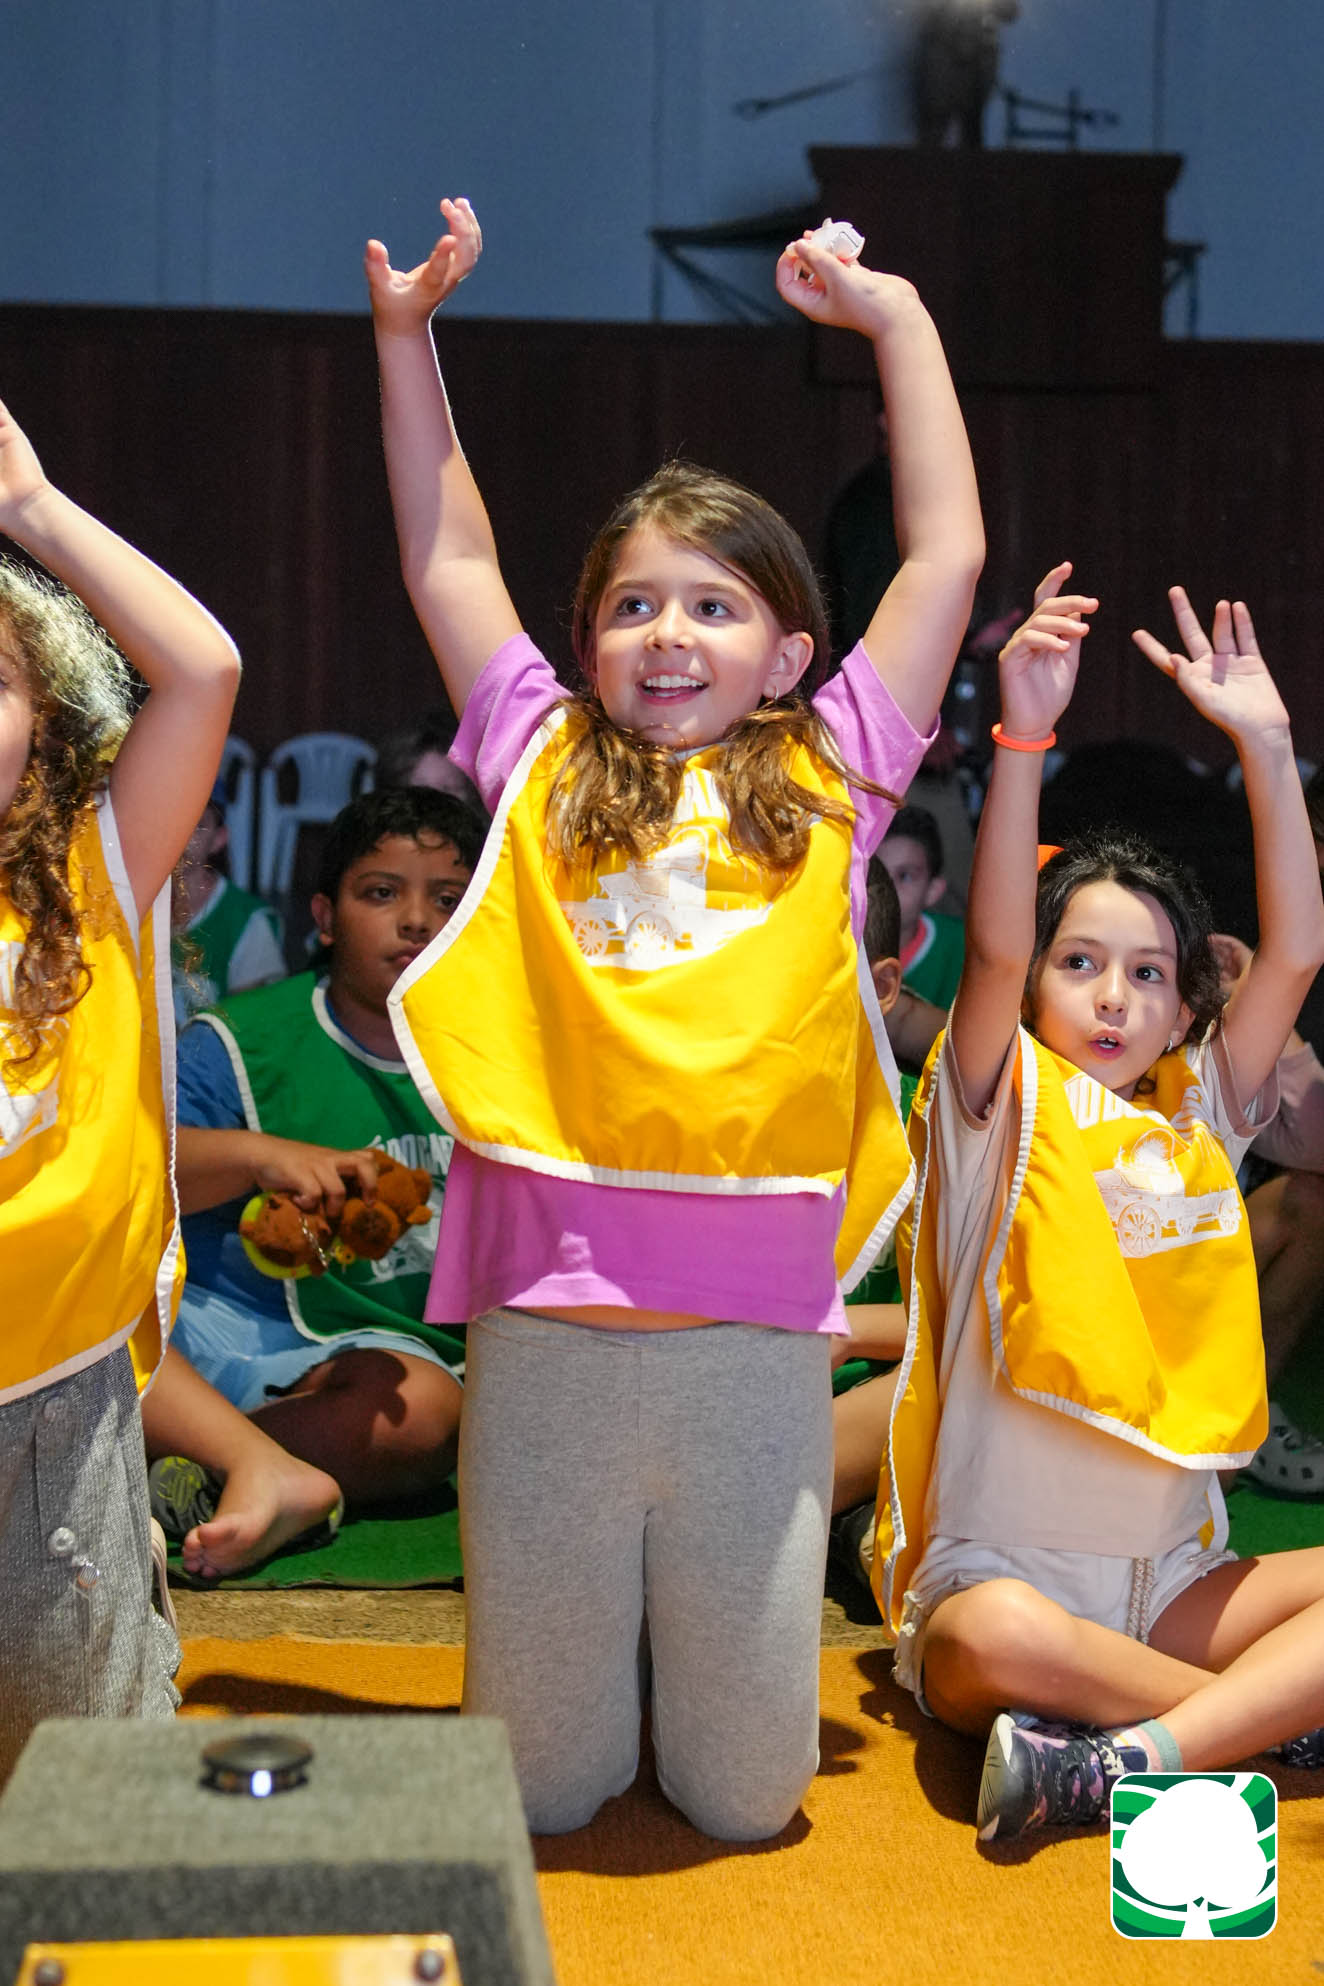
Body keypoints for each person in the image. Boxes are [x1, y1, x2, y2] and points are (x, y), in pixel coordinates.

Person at [365, 196, 982, 1838]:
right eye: (634, 605)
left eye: (713, 606)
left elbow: (942, 557)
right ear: (583, 646)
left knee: (743, 1795)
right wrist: (406, 337)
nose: (668, 634)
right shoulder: (535, 753)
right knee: (543, 1791)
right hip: (545, 1338)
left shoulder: (833, 769)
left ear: (787, 654)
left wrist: (894, 317)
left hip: (747, 1353)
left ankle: (682, 1678)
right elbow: (447, 556)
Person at [874, 563, 1324, 1843]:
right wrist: (1023, 736)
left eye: (1147, 974)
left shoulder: (1197, 1118)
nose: (1114, 996)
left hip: (1172, 1589)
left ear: (1186, 1011)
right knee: (997, 1642)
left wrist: (1266, 747)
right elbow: (993, 946)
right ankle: (1264, 1729)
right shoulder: (994, 1109)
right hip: (1000, 1590)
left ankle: (1126, 1758)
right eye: (1079, 964)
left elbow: (1296, 952)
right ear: (1032, 991)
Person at [0, 394, 240, 1777]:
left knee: (84, 1777)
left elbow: (202, 671)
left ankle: (126, 1576)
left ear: (43, 723)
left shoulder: (92, 871)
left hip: (51, 1395)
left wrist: (30, 509)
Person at [143, 787, 481, 1580]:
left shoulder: (512, 1063)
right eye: (381, 894)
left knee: (422, 1417)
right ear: (325, 918)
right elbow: (138, 1177)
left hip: (379, 1361)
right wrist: (258, 1155)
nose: (416, 921)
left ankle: (199, 1476)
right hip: (216, 1333)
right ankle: (223, 1467)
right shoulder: (238, 1040)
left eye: (448, 900)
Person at [173, 777, 285, 1026]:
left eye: (197, 824)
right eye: (171, 817)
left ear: (219, 839)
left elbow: (249, 1026)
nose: (180, 832)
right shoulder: (131, 905)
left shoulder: (248, 922)